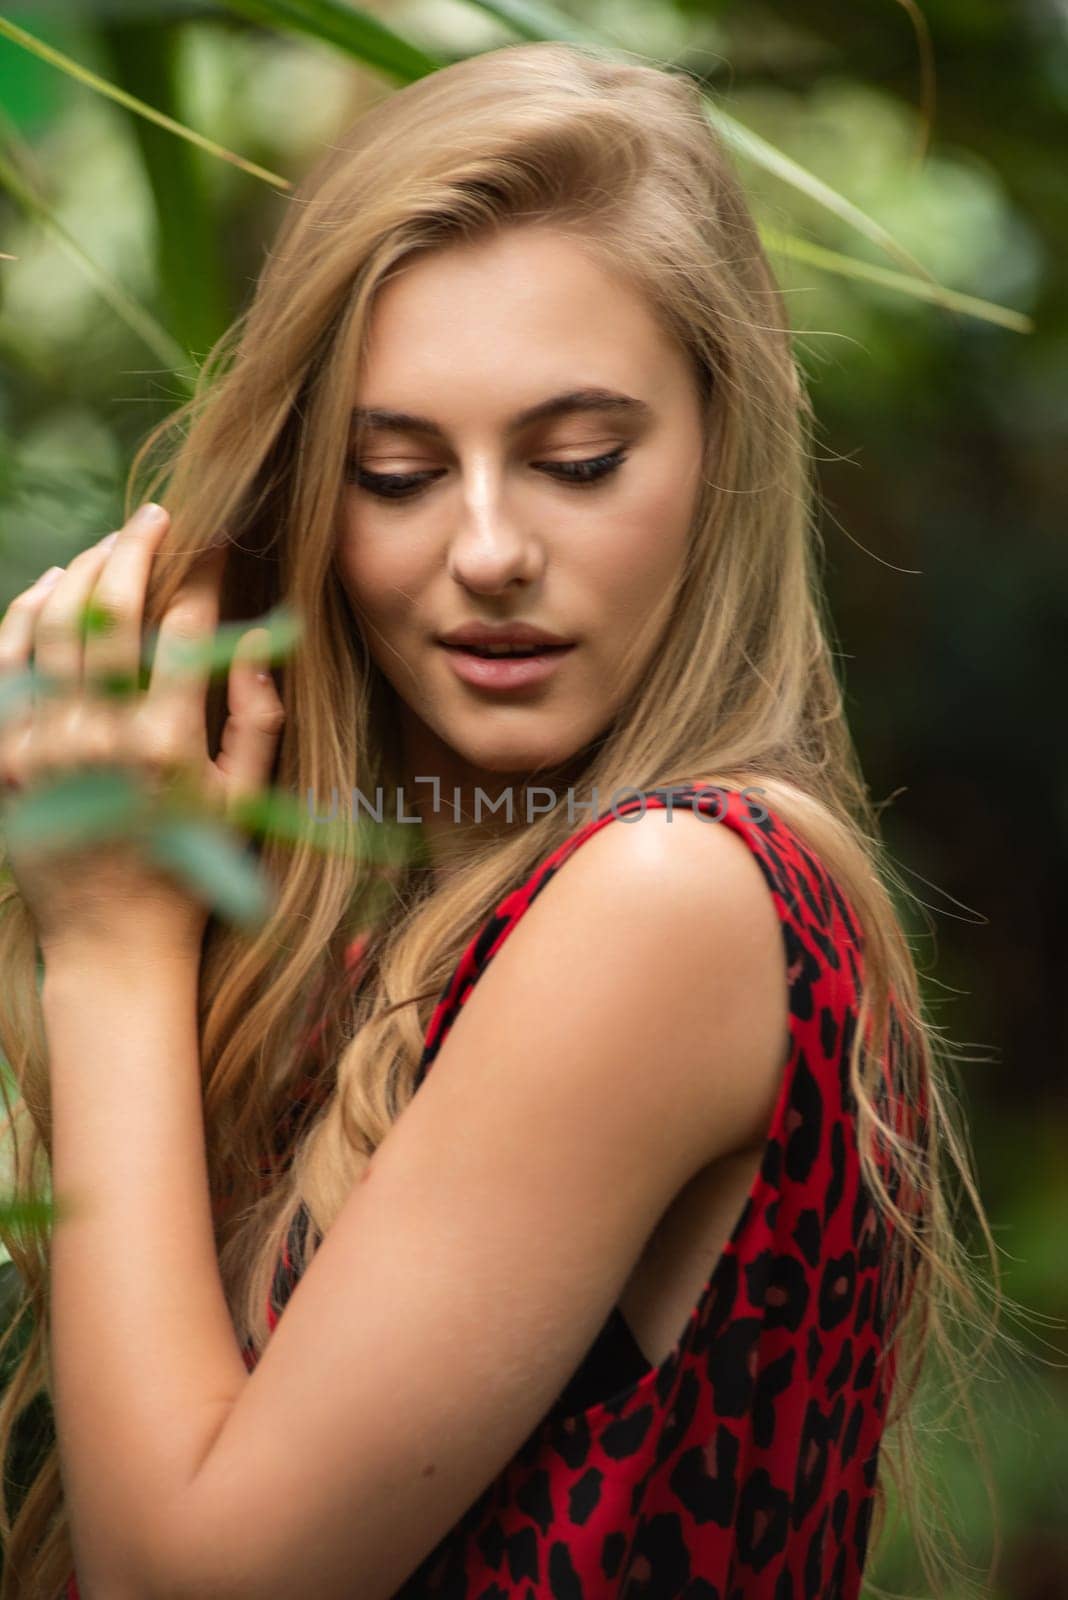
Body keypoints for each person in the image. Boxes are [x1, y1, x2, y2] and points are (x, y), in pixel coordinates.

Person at [0, 38, 998, 1600]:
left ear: (722, 448)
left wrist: (111, 938)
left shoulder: (676, 895)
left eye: (577, 460)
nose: (487, 550)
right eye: (395, 474)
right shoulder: (402, 920)